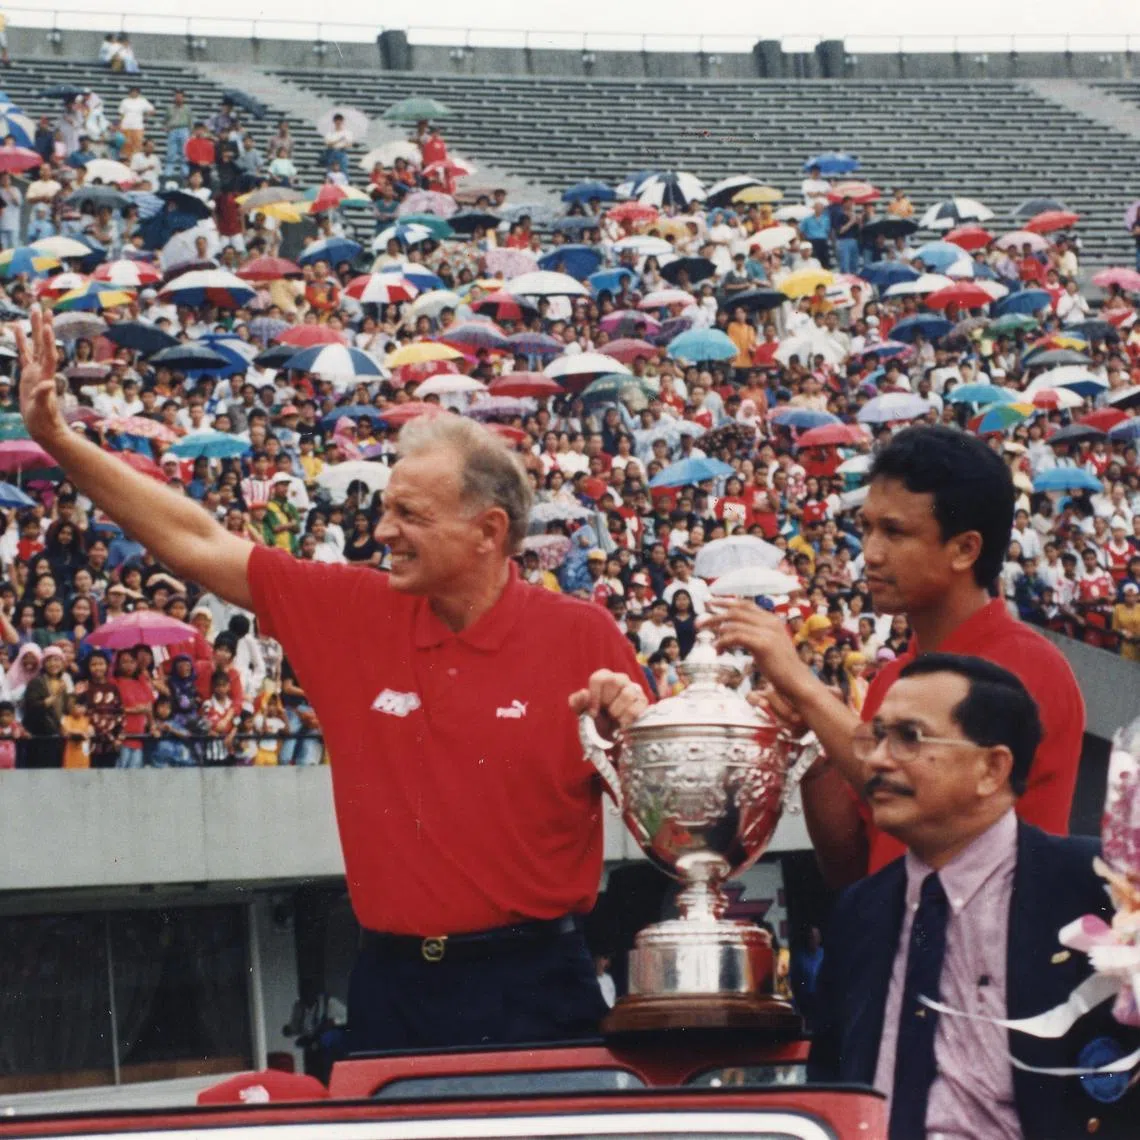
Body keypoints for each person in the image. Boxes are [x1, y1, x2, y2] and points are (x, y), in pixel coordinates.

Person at [17, 308, 649, 1050]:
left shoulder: (582, 636)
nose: (382, 532)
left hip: (536, 981)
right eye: (385, 509)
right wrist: (59, 439)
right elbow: (196, 542)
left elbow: (673, 828)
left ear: (489, 532)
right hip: (390, 986)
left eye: (408, 514)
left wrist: (639, 736)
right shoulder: (352, 608)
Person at [707, 426, 1085, 888]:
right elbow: (855, 870)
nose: (870, 553)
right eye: (866, 527)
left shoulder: (1026, 665)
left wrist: (802, 687)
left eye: (894, 532)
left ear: (965, 549)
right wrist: (817, 754)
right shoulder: (892, 678)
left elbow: (928, 802)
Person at [808, 654, 1137, 1139]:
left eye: (909, 738)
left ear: (992, 768)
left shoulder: (1101, 887)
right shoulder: (860, 911)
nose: (876, 759)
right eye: (876, 736)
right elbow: (830, 1085)